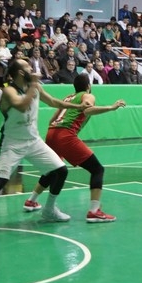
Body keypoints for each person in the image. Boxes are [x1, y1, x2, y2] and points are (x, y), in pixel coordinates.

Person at [0, 59, 85, 232]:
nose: (31, 68)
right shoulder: (9, 91)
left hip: (33, 141)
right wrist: (34, 83)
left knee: (61, 171)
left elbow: (54, 102)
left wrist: (77, 106)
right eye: (27, 67)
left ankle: (49, 210)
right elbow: (22, 106)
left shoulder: (36, 87)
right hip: (12, 144)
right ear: (20, 73)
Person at [23, 73, 125, 222]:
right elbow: (87, 110)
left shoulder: (69, 98)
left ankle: (31, 200)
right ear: (89, 86)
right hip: (66, 135)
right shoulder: (88, 96)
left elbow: (53, 119)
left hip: (52, 132)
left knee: (53, 169)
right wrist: (111, 107)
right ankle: (94, 211)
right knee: (97, 169)